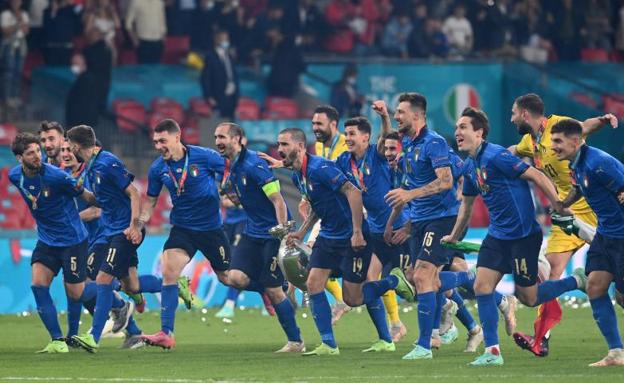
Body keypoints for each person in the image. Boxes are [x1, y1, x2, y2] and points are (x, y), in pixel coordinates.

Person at [442, 107, 586, 366]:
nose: (458, 133)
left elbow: (537, 175)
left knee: (528, 297)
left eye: (463, 127)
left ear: (479, 132)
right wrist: (454, 235)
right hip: (497, 236)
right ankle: (492, 352)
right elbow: (466, 206)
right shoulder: (470, 165)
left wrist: (558, 203)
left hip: (522, 236)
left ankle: (577, 280)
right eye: (456, 128)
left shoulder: (497, 156)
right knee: (481, 287)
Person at [508, 93, 617, 356]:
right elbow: (509, 152)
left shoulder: (559, 126)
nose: (510, 118)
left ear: (524, 114)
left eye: (513, 113)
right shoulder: (529, 141)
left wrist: (603, 119)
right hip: (566, 211)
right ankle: (541, 337)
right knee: (552, 272)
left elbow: (585, 127)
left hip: (595, 209)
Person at [280, 127, 397, 356]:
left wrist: (356, 231)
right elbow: (317, 206)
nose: (280, 149)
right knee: (314, 284)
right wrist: (302, 231)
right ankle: (329, 344)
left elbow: (353, 192)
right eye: (279, 144)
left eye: (285, 144)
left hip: (351, 236)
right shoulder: (297, 176)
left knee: (353, 298)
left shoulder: (320, 168)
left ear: (301, 146)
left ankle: (392, 283)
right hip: (328, 235)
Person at [384, 93, 478, 360]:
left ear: (416, 115)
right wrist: (406, 224)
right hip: (422, 221)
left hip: (443, 218)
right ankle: (469, 279)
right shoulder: (409, 145)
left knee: (425, 277)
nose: (396, 116)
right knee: (418, 276)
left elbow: (446, 181)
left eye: (400, 112)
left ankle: (425, 344)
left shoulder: (433, 142)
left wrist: (409, 195)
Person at [139, 119, 230, 349]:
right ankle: (166, 333)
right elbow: (150, 200)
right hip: (182, 230)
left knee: (228, 278)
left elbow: (231, 171)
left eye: (163, 141)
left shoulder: (205, 157)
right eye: (156, 142)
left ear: (177, 137)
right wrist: (141, 220)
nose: (159, 146)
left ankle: (263, 288)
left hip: (211, 230)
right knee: (169, 271)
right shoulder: (158, 168)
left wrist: (231, 191)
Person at [214, 122, 304, 353]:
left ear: (237, 139)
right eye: (216, 137)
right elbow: (246, 198)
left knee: (274, 291)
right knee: (233, 278)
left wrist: (283, 232)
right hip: (252, 231)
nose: (218, 142)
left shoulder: (254, 164)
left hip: (273, 234)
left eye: (222, 137)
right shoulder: (233, 166)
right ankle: (271, 287)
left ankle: (296, 342)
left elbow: (278, 200)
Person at [8, 133, 97, 353]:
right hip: (47, 241)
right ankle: (57, 340)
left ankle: (112, 291)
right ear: (20, 158)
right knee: (38, 285)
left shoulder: (57, 177)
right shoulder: (14, 176)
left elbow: (87, 197)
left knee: (76, 293)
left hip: (73, 241)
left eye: (38, 151)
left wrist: (109, 200)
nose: (38, 156)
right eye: (31, 153)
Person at [550, 118, 624, 366]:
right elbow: (578, 188)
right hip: (605, 235)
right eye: (552, 141)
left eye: (558, 141)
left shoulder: (598, 163)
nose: (553, 147)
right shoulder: (577, 164)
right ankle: (616, 353)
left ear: (575, 140)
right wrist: (562, 205)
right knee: (595, 287)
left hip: (622, 237)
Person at [59, 139, 146, 349]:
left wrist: (134, 225)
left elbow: (130, 194)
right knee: (129, 284)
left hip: (115, 233)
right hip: (101, 234)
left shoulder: (103, 164)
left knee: (100, 280)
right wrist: (78, 190)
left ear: (77, 146)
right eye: (65, 149)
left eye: (69, 147)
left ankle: (94, 336)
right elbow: (99, 201)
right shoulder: (82, 170)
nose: (67, 152)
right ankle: (130, 318)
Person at [335, 116, 413, 343]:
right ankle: (386, 337)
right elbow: (323, 171)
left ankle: (475, 305)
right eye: (346, 134)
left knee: (420, 281)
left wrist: (384, 117)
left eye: (352, 134)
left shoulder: (376, 155)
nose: (347, 138)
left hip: (399, 227)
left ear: (365, 137)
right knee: (370, 279)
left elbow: (385, 138)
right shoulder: (344, 161)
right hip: (377, 230)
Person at [200, 30, 239, 119]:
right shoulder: (210, 57)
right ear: (217, 40)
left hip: (231, 97)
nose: (226, 42)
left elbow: (234, 76)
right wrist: (208, 96)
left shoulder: (229, 55)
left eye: (227, 39)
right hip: (218, 96)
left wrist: (237, 95)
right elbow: (205, 78)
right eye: (223, 39)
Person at [1, 0, 29, 108]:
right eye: (14, 1)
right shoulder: (5, 14)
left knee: (18, 73)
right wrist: (18, 24)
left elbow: (26, 30)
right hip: (9, 46)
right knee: (8, 73)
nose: (16, 3)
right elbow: (5, 31)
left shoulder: (24, 14)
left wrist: (15, 26)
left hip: (20, 46)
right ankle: (6, 98)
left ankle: (15, 97)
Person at [65, 54, 100, 128]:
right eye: (72, 64)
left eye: (76, 64)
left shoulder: (87, 79)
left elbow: (84, 103)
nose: (74, 66)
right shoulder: (81, 78)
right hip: (78, 123)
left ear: (83, 64)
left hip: (82, 123)